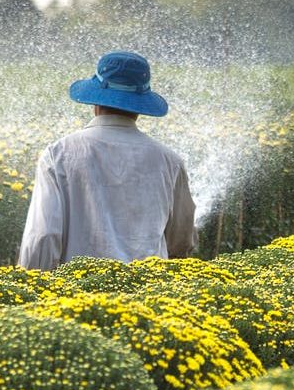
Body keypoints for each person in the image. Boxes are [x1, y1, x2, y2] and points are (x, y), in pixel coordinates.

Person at [16, 51, 196, 270]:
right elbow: (181, 241)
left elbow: (42, 237)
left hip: (72, 296)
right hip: (148, 297)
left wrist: (34, 290)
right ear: (140, 107)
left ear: (95, 102)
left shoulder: (59, 155)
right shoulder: (170, 162)